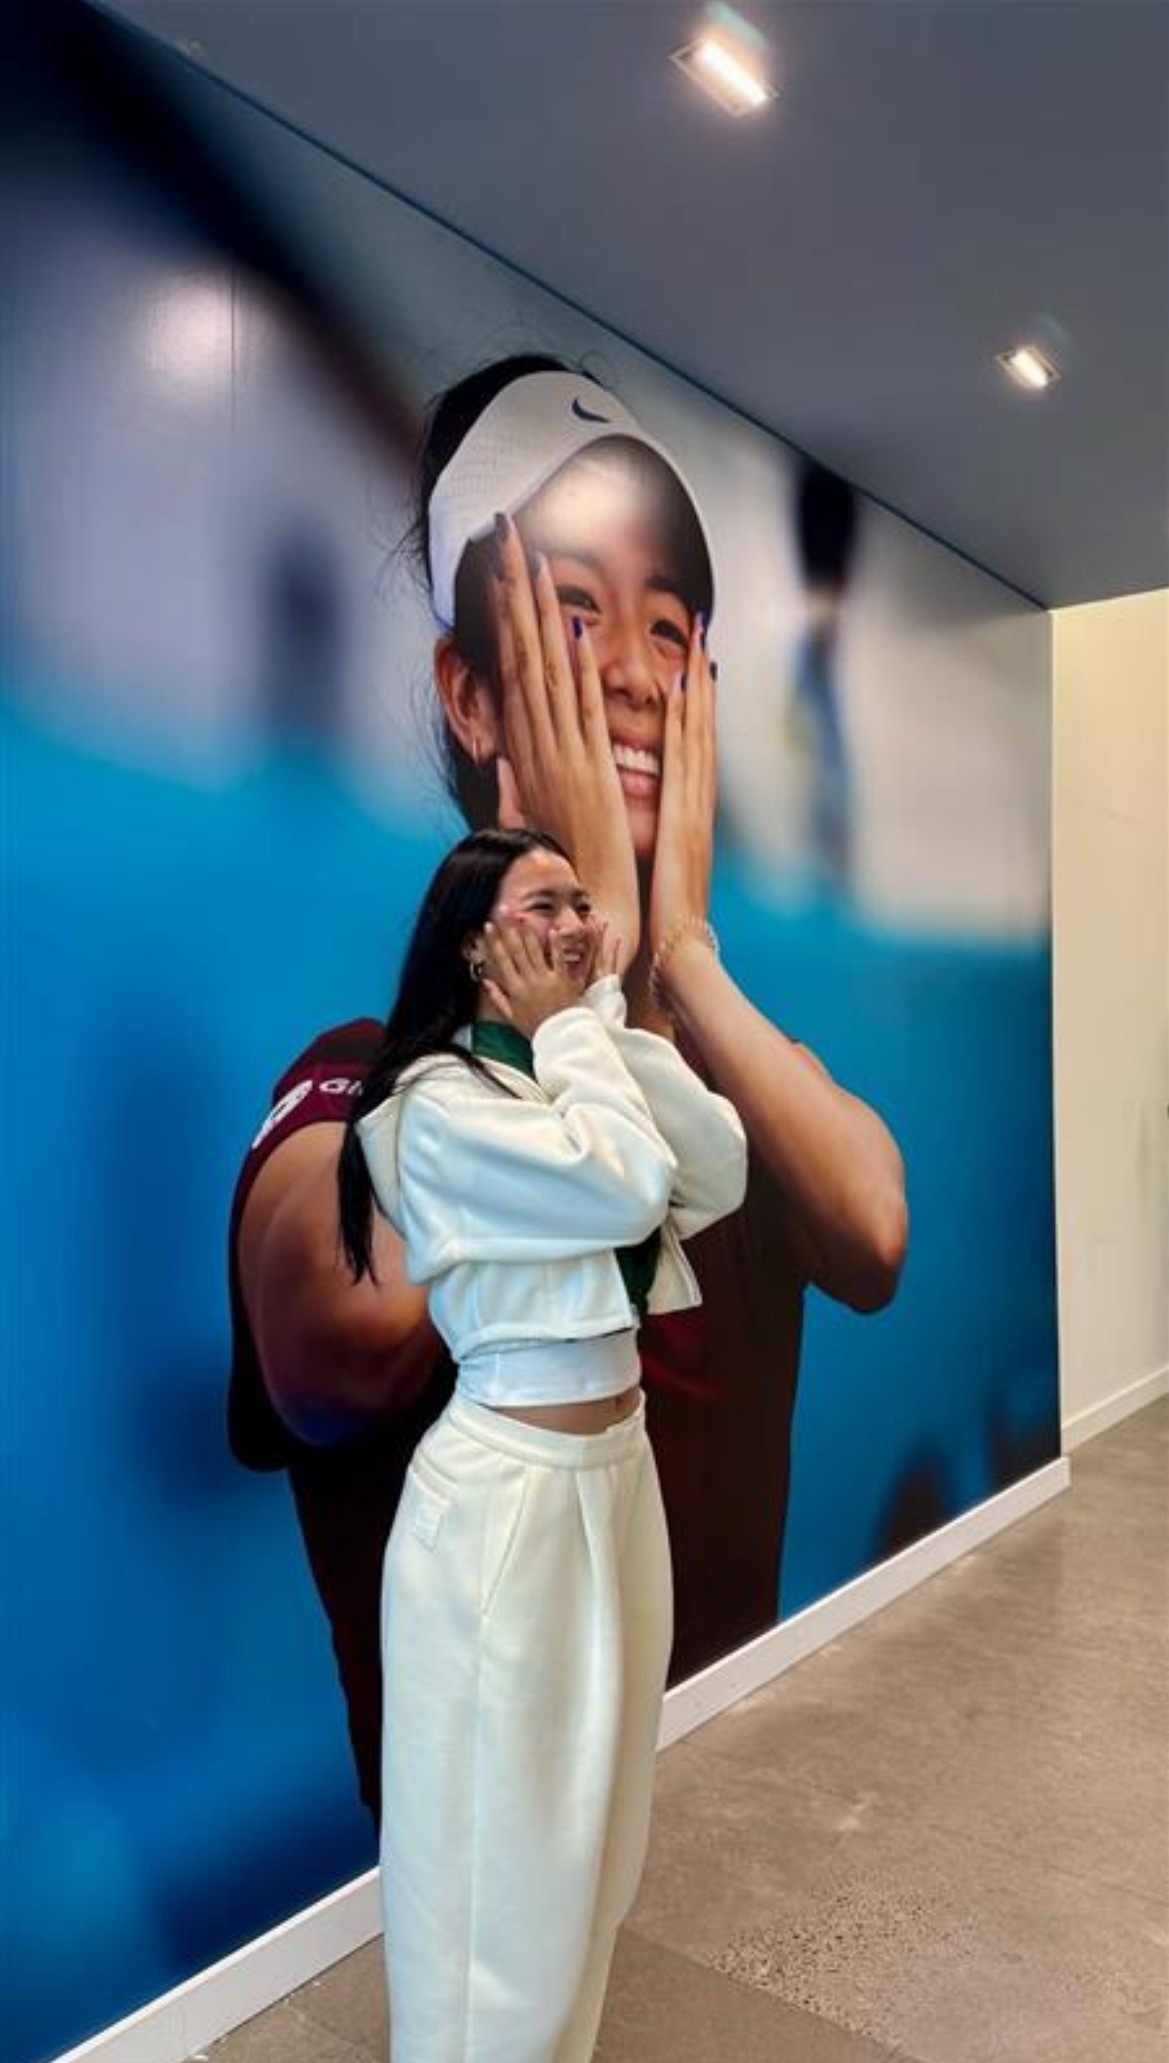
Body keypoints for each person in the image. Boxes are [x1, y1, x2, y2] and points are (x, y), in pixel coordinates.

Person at [228, 352, 908, 1824]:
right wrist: (572, 945)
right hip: (489, 1868)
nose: (633, 674)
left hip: (731, 1820)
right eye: (576, 612)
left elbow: (870, 1231)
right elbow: (338, 1342)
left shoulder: (730, 1077)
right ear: (470, 693)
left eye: (669, 627)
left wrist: (682, 957)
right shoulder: (356, 1082)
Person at [338, 824, 747, 2062]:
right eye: (543, 906)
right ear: (475, 946)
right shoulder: (427, 1109)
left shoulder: (571, 1068)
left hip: (616, 1477)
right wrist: (573, 1034)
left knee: (595, 1845)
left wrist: (600, 1026)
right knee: (496, 1879)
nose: (576, 921)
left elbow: (715, 1168)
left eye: (580, 900)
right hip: (504, 1504)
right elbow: (624, 1189)